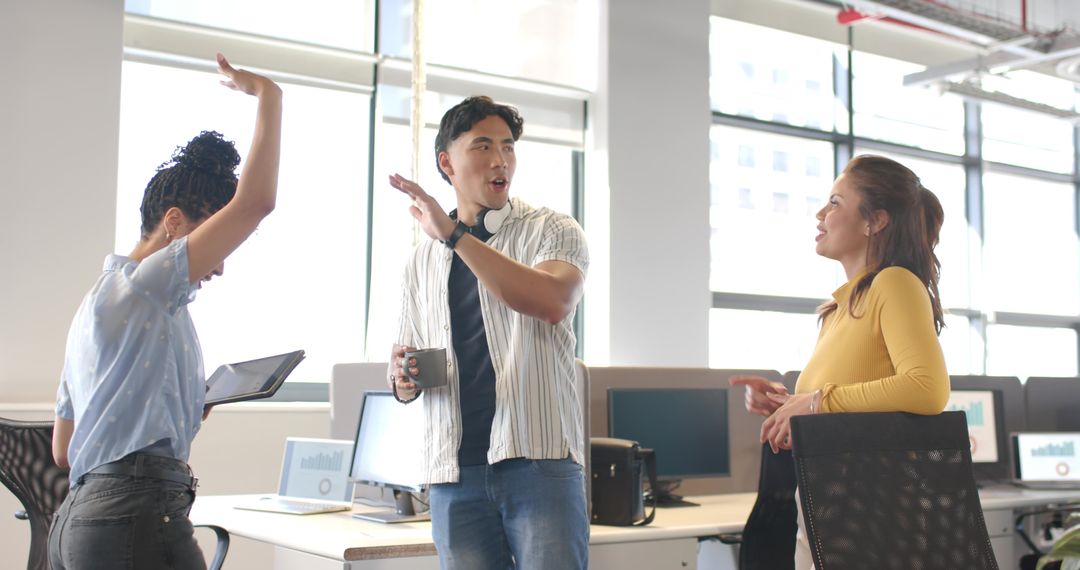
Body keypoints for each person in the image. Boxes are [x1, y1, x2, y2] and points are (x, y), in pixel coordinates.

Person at [48, 54, 282, 570]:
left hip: (76, 526)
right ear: (174, 223)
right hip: (133, 517)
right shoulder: (148, 285)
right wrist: (269, 94)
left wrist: (177, 407)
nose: (219, 268)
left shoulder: (95, 306)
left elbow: (64, 451)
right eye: (215, 244)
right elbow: (256, 201)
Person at [387, 96, 589, 570]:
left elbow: (552, 301)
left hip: (538, 460)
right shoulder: (421, 261)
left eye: (508, 147)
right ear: (447, 162)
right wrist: (402, 379)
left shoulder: (551, 229)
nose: (501, 160)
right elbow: (405, 359)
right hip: (453, 473)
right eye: (483, 146)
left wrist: (456, 237)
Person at [730, 154, 950, 570]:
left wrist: (814, 402)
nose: (820, 213)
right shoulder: (840, 308)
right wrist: (786, 407)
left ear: (875, 221)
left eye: (834, 202)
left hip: (871, 513)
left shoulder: (895, 282)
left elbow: (927, 388)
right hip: (831, 502)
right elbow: (852, 406)